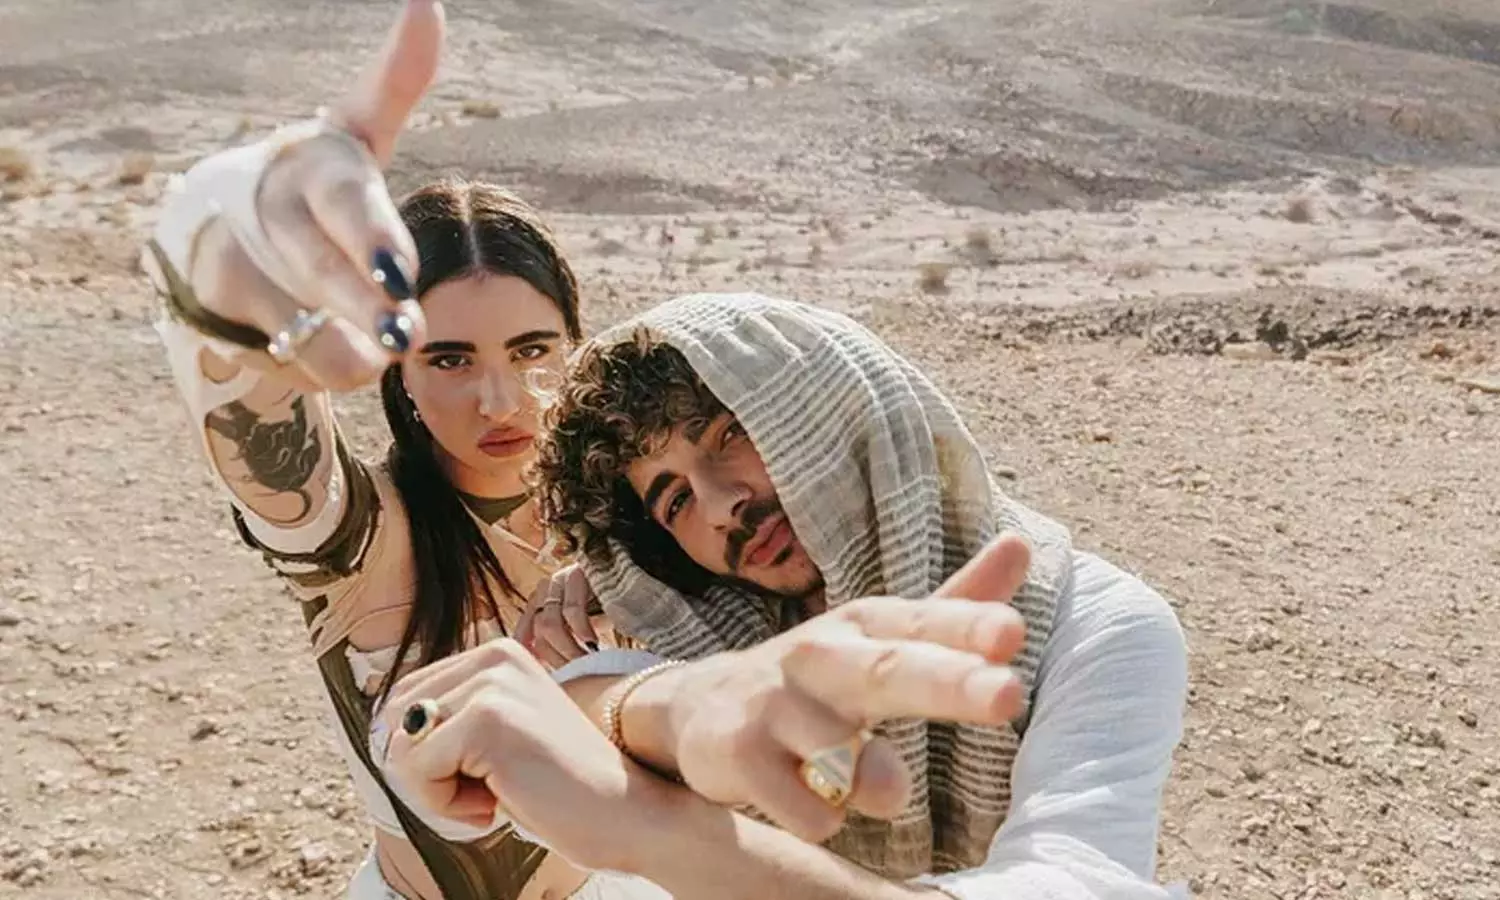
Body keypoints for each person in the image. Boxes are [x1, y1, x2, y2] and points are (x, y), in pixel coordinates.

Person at [376, 291, 1193, 899]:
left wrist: (659, 828)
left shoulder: (1101, 629)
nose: (720, 505)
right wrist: (661, 708)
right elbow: (589, 712)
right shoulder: (696, 625)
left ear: (829, 406)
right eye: (672, 499)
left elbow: (1073, 882)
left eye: (729, 436)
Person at [140, 3, 654, 897]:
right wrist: (218, 237)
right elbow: (259, 428)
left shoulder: (643, 518)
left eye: (532, 350)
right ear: (399, 374)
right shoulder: (359, 539)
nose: (501, 400)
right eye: (449, 359)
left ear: (575, 345)